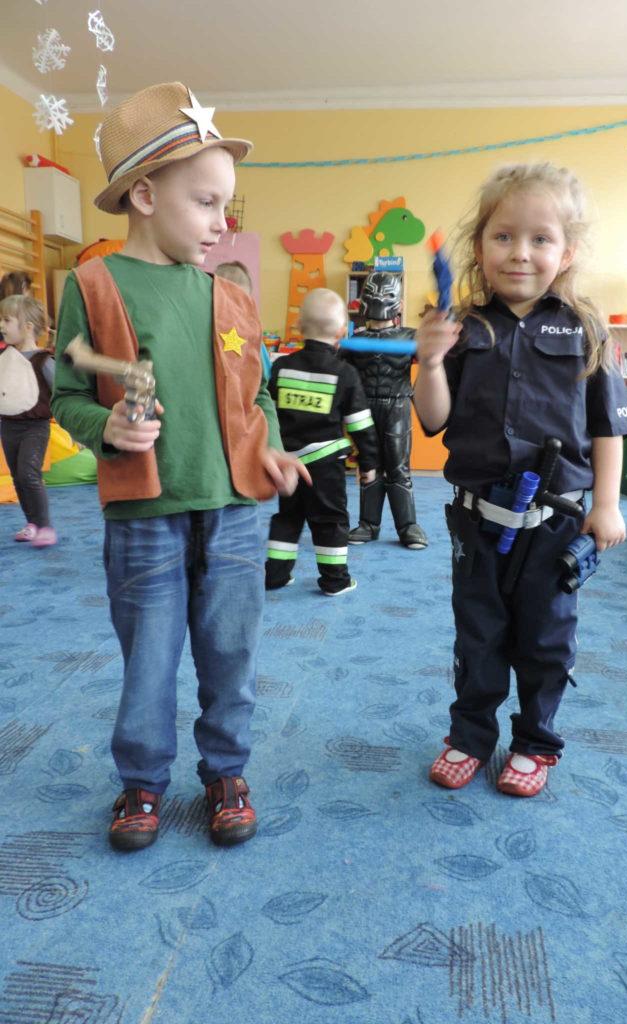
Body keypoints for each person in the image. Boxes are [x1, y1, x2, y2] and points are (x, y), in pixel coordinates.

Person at [52, 81, 309, 852]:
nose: (222, 223)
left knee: (231, 653)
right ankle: (142, 780)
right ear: (143, 195)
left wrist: (269, 448)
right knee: (149, 659)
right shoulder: (91, 286)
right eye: (205, 203)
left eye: (227, 206)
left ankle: (226, 771)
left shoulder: (231, 298)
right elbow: (68, 394)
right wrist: (106, 428)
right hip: (144, 518)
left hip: (235, 512)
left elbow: (255, 395)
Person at [414, 162, 627, 798]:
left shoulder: (588, 330)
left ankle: (536, 743)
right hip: (477, 518)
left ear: (566, 253)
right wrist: (430, 360)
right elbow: (433, 419)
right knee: (478, 634)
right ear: (480, 246)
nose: (520, 252)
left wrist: (607, 504)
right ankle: (469, 737)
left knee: (546, 639)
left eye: (540, 239)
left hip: (555, 521)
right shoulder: (464, 328)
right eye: (504, 236)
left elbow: (608, 427)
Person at [265, 288, 378, 596]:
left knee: (288, 517)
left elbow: (268, 413)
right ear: (342, 331)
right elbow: (360, 424)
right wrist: (368, 462)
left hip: (288, 462)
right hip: (325, 465)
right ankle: (335, 580)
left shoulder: (282, 367)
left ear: (299, 327)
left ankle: (276, 575)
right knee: (330, 519)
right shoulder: (345, 373)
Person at [344, 272, 428, 550]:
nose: (379, 299)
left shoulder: (411, 337)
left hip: (397, 405)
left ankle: (408, 526)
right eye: (373, 293)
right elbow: (338, 372)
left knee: (398, 466)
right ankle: (369, 524)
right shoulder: (354, 340)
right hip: (364, 408)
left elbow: (435, 360)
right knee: (370, 465)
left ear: (399, 303)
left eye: (386, 294)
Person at [0, 295, 56, 546]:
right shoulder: (4, 359)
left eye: (6, 320)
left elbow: (62, 393)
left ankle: (45, 526)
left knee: (28, 474)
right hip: (8, 426)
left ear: (28, 327)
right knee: (17, 478)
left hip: (35, 427)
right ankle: (32, 523)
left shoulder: (44, 361)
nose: (1, 325)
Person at [213, 260, 273, 382]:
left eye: (238, 302)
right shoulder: (253, 335)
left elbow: (265, 375)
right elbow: (267, 375)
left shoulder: (253, 336)